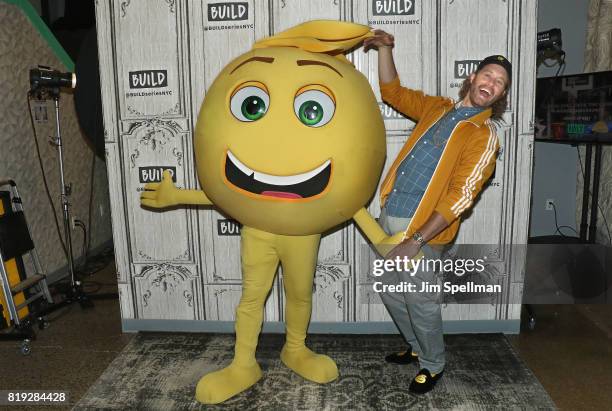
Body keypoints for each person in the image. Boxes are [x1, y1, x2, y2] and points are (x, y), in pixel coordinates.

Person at [363, 30, 511, 394]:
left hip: (424, 232)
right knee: (389, 290)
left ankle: (433, 363)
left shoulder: (484, 134)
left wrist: (416, 241)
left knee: (422, 301)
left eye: (500, 82)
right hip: (391, 216)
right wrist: (385, 48)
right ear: (472, 78)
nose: (491, 83)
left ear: (501, 95)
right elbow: (392, 92)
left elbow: (459, 198)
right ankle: (416, 348)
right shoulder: (438, 108)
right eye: (488, 75)